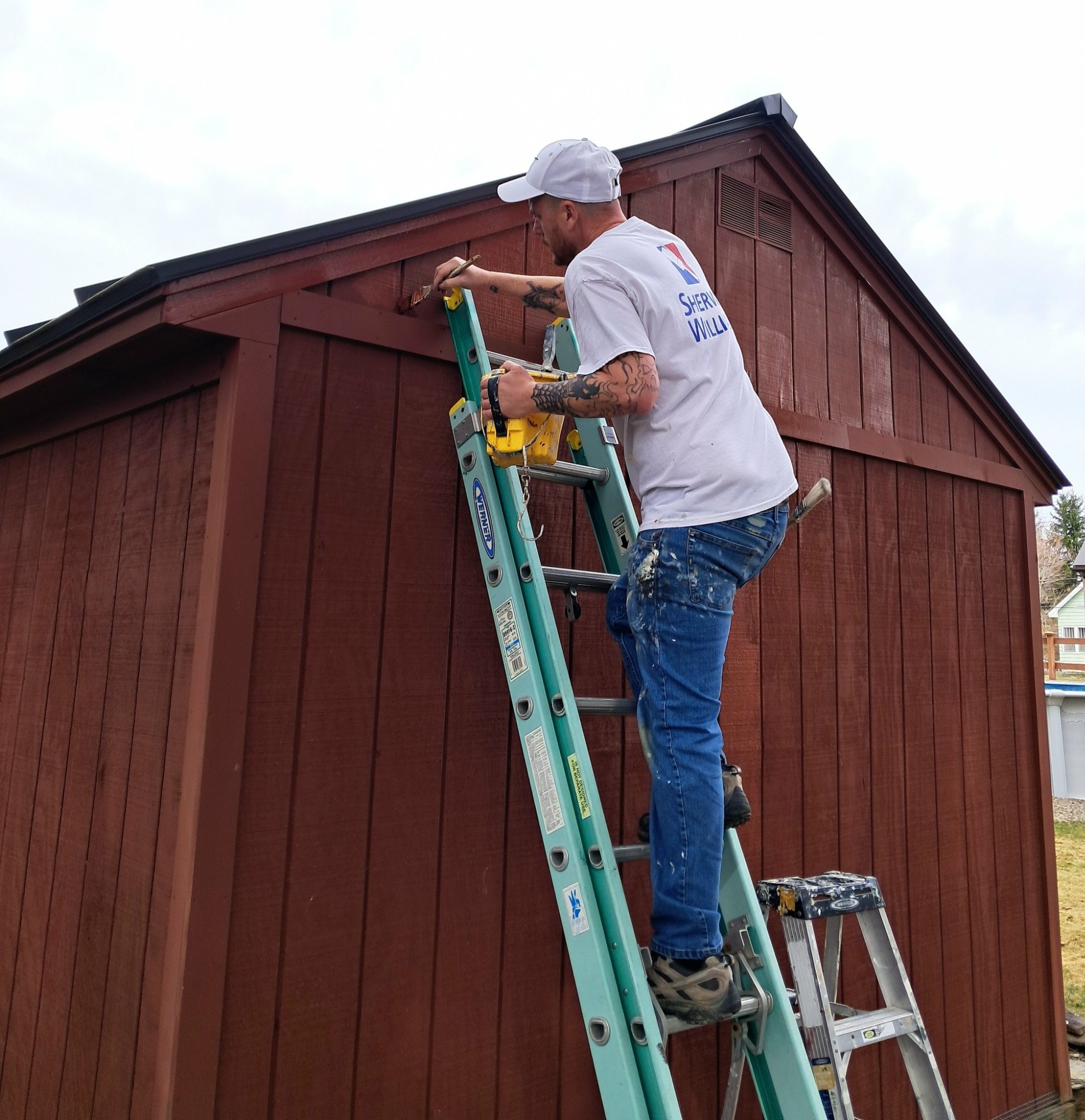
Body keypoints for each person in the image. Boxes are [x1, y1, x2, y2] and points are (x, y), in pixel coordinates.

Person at [432, 139, 797, 1022]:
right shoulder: (657, 246)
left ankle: (689, 958)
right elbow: (581, 299)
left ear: (566, 210)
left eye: (537, 210)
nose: (534, 223)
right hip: (759, 500)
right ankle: (712, 787)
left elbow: (632, 384)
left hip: (697, 518)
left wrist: (532, 397)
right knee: (631, 611)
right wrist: (487, 280)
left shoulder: (599, 268)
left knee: (679, 730)